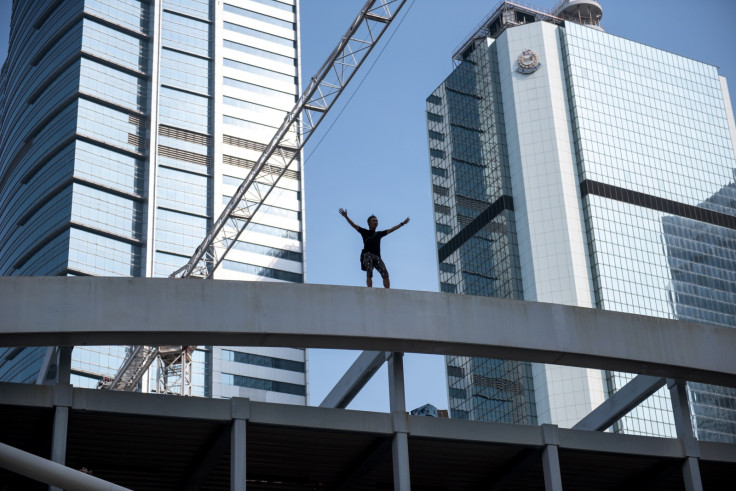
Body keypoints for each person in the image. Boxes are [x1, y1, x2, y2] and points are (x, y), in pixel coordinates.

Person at [339, 208, 410, 288]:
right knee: (369, 273)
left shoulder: (379, 234)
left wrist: (402, 223)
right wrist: (346, 217)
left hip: (377, 256)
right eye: (373, 221)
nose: (376, 222)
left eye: (376, 221)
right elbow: (354, 225)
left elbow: (391, 230)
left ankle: (388, 292)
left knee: (385, 274)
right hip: (367, 254)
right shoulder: (364, 232)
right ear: (369, 223)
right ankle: (370, 290)